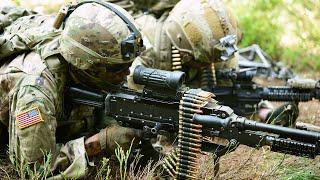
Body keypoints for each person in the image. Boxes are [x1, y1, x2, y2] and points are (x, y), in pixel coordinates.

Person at [0, 1, 144, 179]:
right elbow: (35, 170)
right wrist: (99, 143)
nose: (127, 72)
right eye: (117, 69)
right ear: (86, 65)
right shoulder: (35, 93)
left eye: (128, 65)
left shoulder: (81, 55)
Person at [128, 0, 298, 127]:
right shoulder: (148, 46)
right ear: (182, 47)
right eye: (201, 62)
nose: (207, 65)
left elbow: (230, 94)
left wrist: (261, 112)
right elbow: (132, 101)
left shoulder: (216, 45)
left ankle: (263, 113)